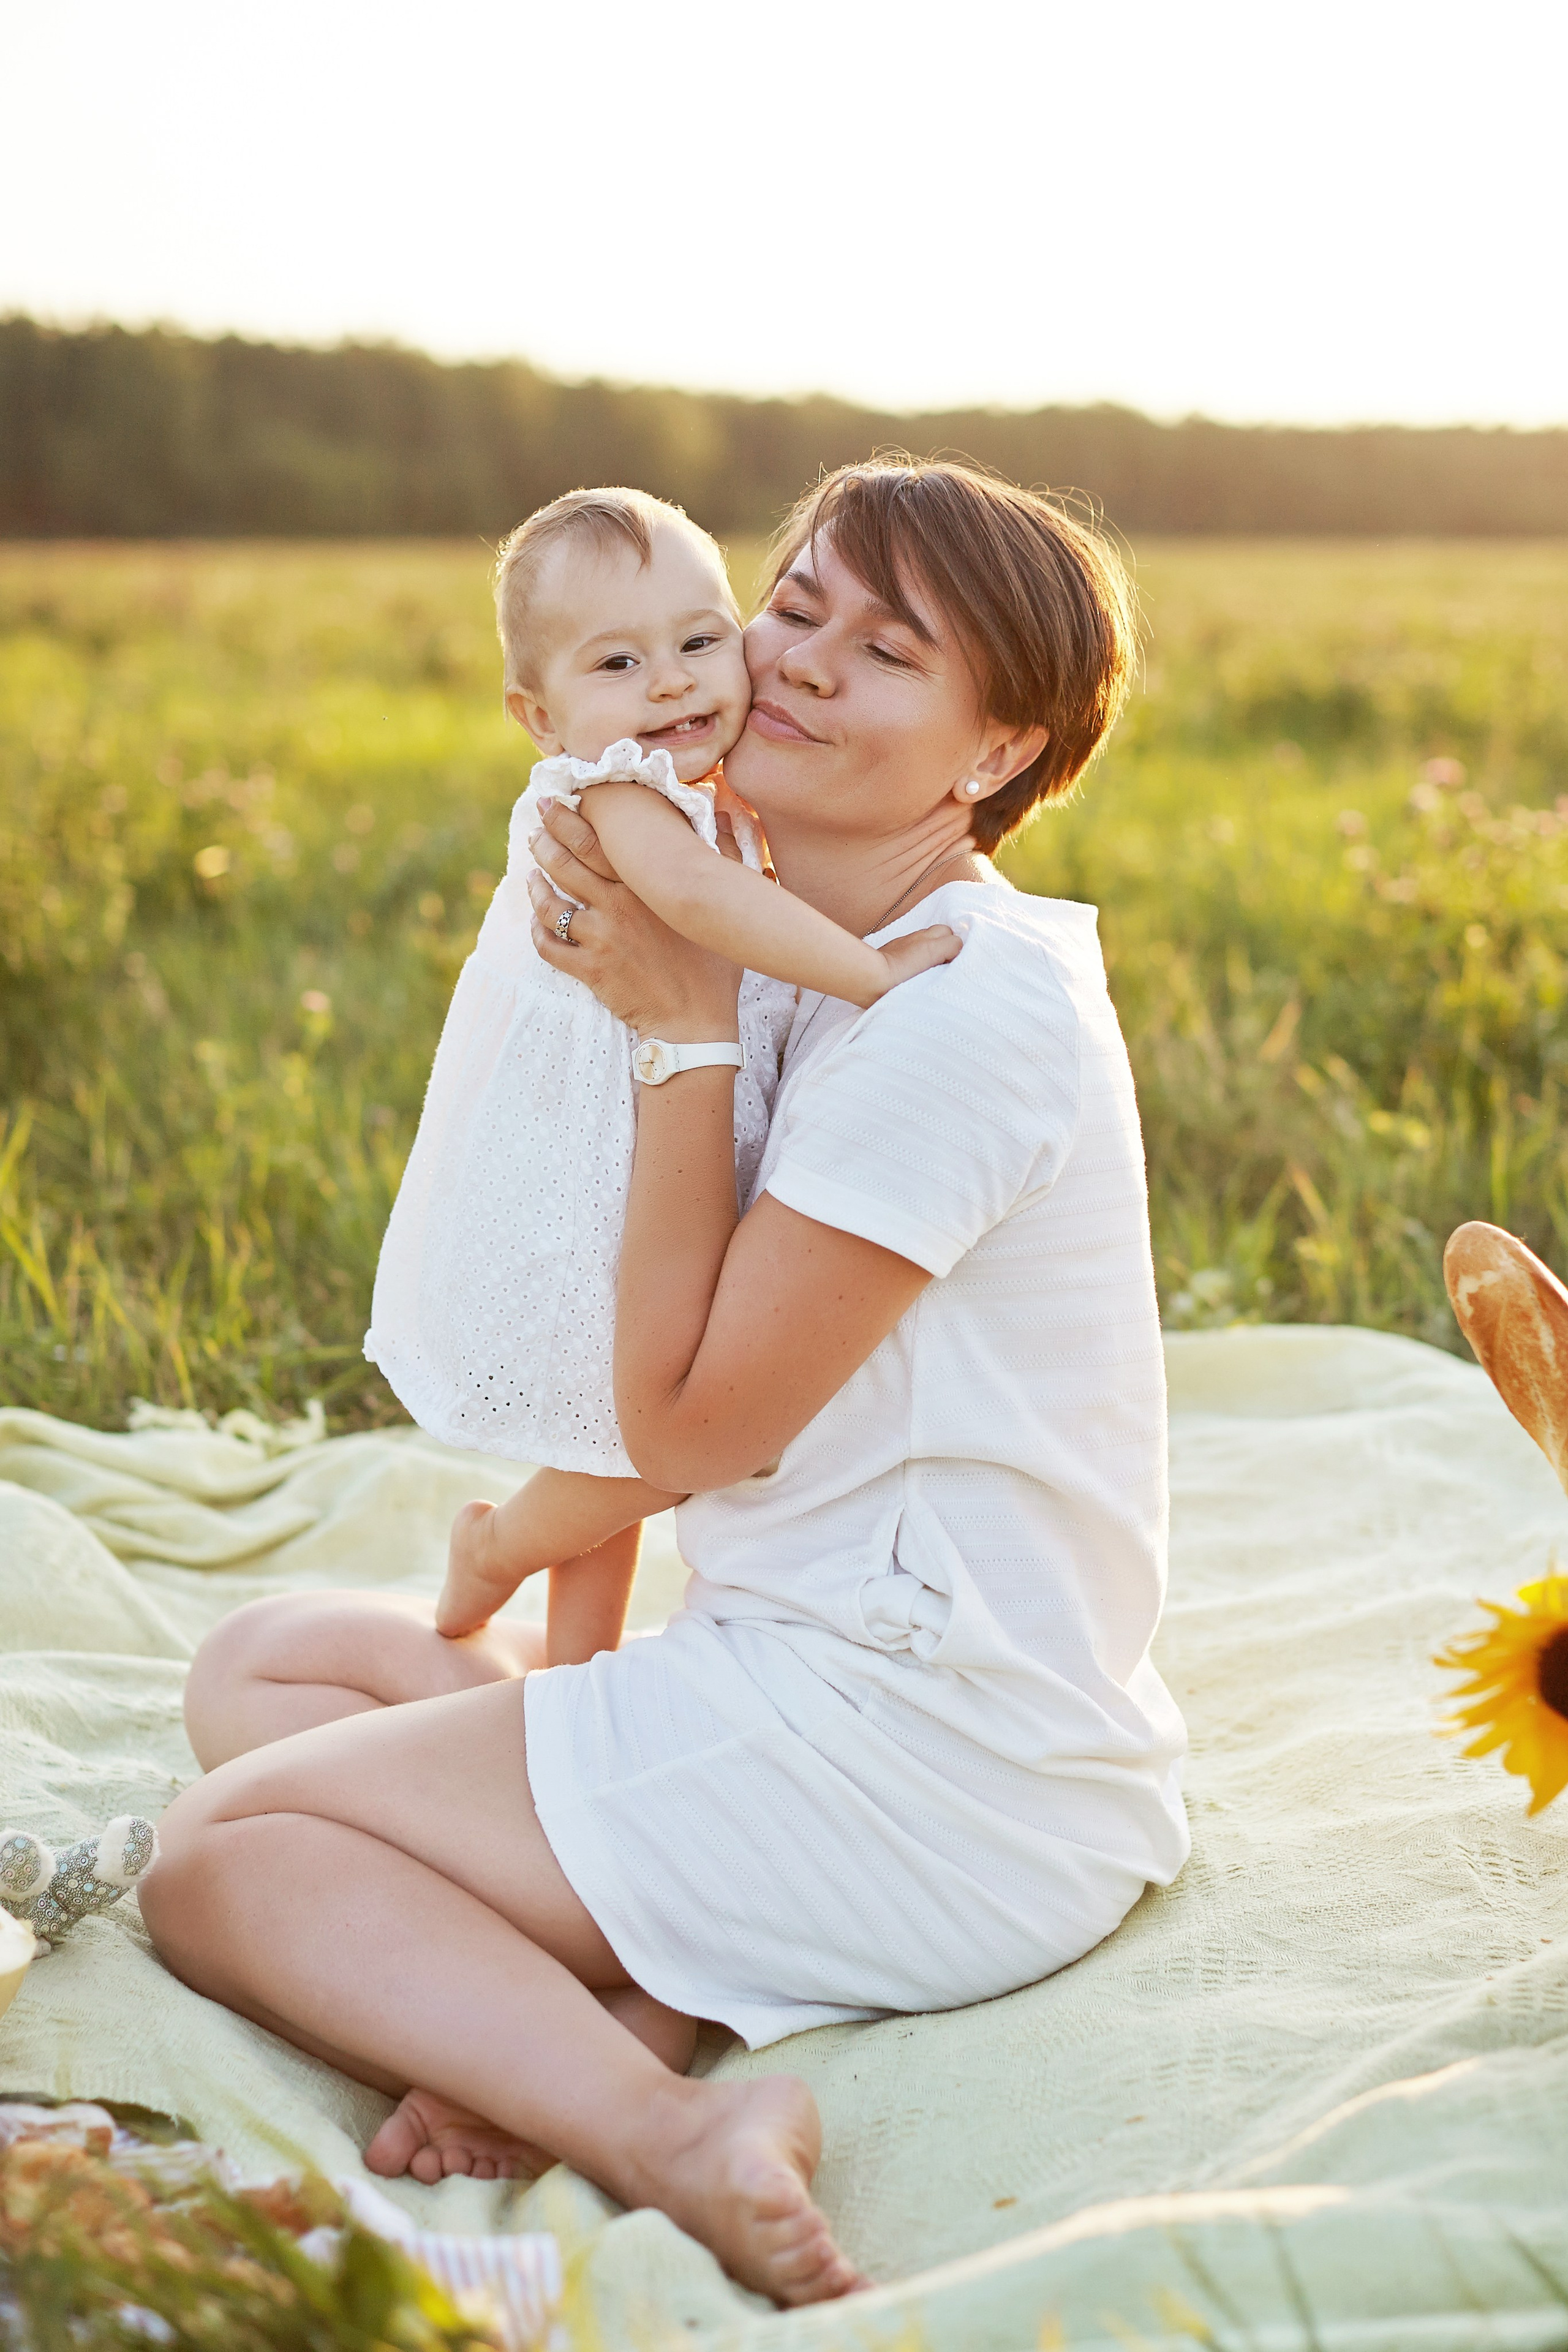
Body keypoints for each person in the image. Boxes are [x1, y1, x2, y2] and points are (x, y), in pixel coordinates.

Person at [140, 458, 1191, 2312]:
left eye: (888, 651)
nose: (799, 663)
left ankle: (664, 2123)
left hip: (937, 1768)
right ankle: (636, 1969)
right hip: (795, 1655)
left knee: (219, 1862)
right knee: (269, 1670)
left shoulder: (952, 1014)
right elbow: (677, 1390)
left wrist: (679, 1029)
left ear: (997, 750)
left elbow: (691, 1426)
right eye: (795, 604)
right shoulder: (781, 935)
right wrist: (512, 1557)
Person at [364, 486, 957, 1668]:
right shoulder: (620, 790)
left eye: (699, 640)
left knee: (614, 1426)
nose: (673, 684)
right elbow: (694, 899)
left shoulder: (706, 783)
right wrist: (872, 972)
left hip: (657, 1126)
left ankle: (574, 1667)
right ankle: (496, 1549)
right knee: (643, 1439)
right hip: (599, 1161)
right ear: (540, 716)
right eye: (619, 662)